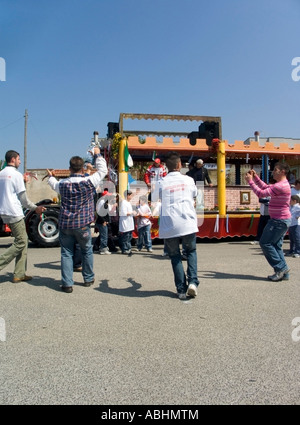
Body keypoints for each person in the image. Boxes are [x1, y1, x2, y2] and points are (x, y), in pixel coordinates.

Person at [47, 147, 107, 293]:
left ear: (69, 168)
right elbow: (103, 170)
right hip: (83, 225)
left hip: (65, 224)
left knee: (66, 253)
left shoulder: (62, 184)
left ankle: (67, 283)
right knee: (87, 250)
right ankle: (88, 278)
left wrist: (50, 176)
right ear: (82, 168)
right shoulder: (88, 182)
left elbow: (53, 183)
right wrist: (98, 154)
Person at [152, 151, 199, 300]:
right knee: (190, 251)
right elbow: (194, 194)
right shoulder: (189, 180)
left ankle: (180, 289)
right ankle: (192, 282)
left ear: (165, 167)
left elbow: (153, 198)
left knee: (175, 257)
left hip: (169, 224)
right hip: (188, 222)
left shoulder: (161, 182)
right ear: (179, 165)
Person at [0, 150, 46, 282]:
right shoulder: (16, 175)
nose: (20, 161)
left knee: (23, 240)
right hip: (14, 212)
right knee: (20, 242)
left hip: (4, 211)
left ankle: (19, 273)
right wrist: (35, 208)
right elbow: (23, 200)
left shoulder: (1, 174)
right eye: (19, 159)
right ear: (13, 159)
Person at [245, 162, 291, 282]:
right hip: (280, 220)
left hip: (278, 221)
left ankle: (280, 268)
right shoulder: (281, 185)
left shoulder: (281, 186)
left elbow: (261, 193)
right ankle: (283, 272)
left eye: (276, 169)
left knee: (265, 243)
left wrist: (250, 181)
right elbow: (266, 187)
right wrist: (256, 178)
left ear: (282, 172)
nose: (273, 171)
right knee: (276, 246)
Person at [119, 190, 137, 255]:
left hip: (129, 222)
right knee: (125, 237)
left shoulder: (128, 203)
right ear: (128, 195)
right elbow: (124, 213)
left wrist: (133, 213)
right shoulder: (124, 203)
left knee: (129, 237)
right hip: (125, 222)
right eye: (131, 195)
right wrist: (132, 212)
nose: (131, 197)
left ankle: (128, 248)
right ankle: (125, 249)